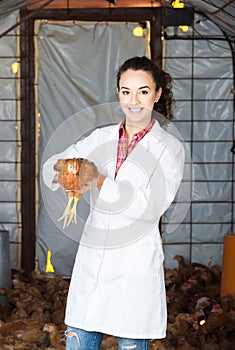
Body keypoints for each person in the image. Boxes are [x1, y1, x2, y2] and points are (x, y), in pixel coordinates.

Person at [42, 56, 185, 350]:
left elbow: (149, 209)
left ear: (157, 94)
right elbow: (49, 171)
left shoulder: (169, 149)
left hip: (134, 268)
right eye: (125, 91)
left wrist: (99, 181)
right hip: (93, 266)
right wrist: (70, 171)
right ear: (118, 93)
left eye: (143, 91)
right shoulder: (100, 138)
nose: (133, 100)